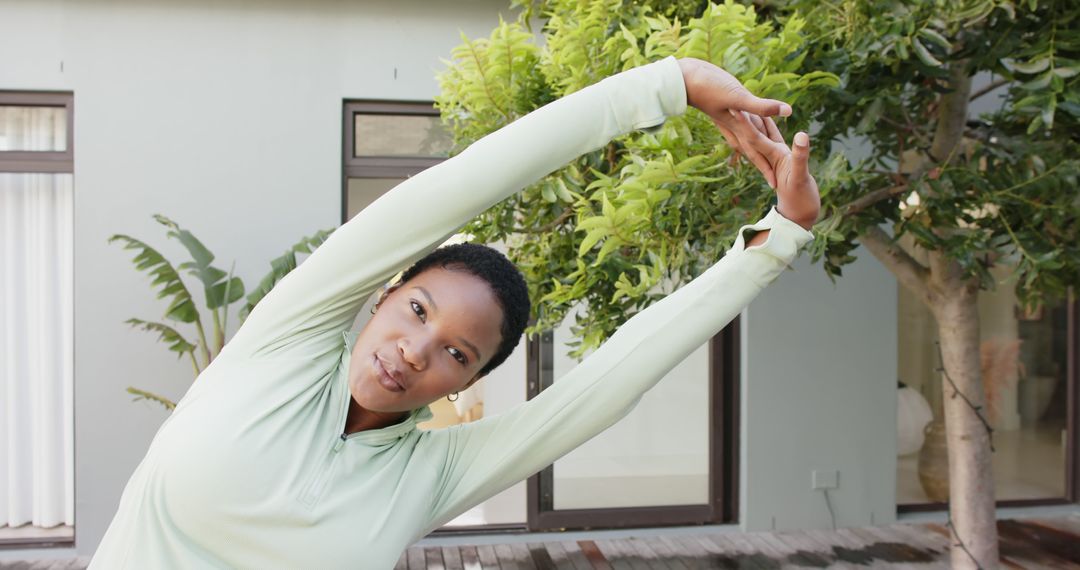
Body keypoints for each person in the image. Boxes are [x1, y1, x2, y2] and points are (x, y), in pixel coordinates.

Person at [89, 56, 819, 569]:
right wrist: (669, 84)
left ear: (465, 385)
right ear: (380, 297)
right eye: (415, 310)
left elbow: (609, 384)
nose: (415, 350)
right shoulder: (282, 347)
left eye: (457, 353)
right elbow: (457, 188)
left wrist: (774, 242)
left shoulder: (429, 475)